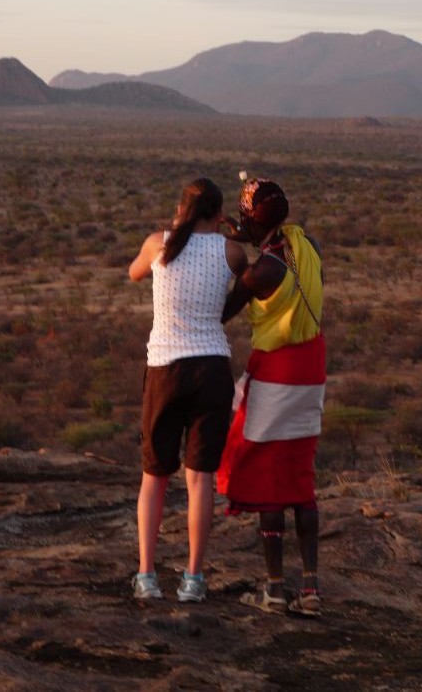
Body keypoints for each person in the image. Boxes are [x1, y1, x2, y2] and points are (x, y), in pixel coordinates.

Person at [129, 177, 247, 603]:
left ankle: (147, 576)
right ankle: (193, 580)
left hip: (165, 370)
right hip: (211, 370)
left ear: (181, 209)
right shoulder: (231, 252)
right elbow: (245, 278)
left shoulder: (158, 244)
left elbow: (133, 273)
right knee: (200, 479)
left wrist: (174, 229)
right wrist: (234, 232)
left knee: (154, 476)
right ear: (218, 214)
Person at [217, 175, 326, 616]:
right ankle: (311, 589)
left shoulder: (257, 273)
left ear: (249, 221)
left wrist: (233, 252)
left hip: (277, 374)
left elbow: (222, 312)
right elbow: (282, 249)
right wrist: (252, 235)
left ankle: (276, 590)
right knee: (300, 475)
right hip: (311, 370)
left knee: (267, 479)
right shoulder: (309, 245)